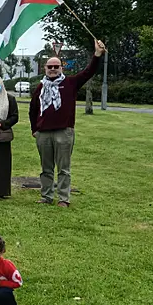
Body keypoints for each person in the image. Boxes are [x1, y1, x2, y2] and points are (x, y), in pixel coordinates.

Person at [29, 39, 106, 207]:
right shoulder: (40, 87)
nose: (53, 69)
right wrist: (34, 129)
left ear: (61, 68)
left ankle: (64, 198)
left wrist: (97, 55)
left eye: (56, 66)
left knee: (63, 169)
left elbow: (88, 72)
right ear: (45, 69)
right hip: (43, 133)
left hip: (63, 132)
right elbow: (33, 109)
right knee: (46, 168)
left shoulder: (70, 83)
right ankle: (46, 196)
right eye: (50, 67)